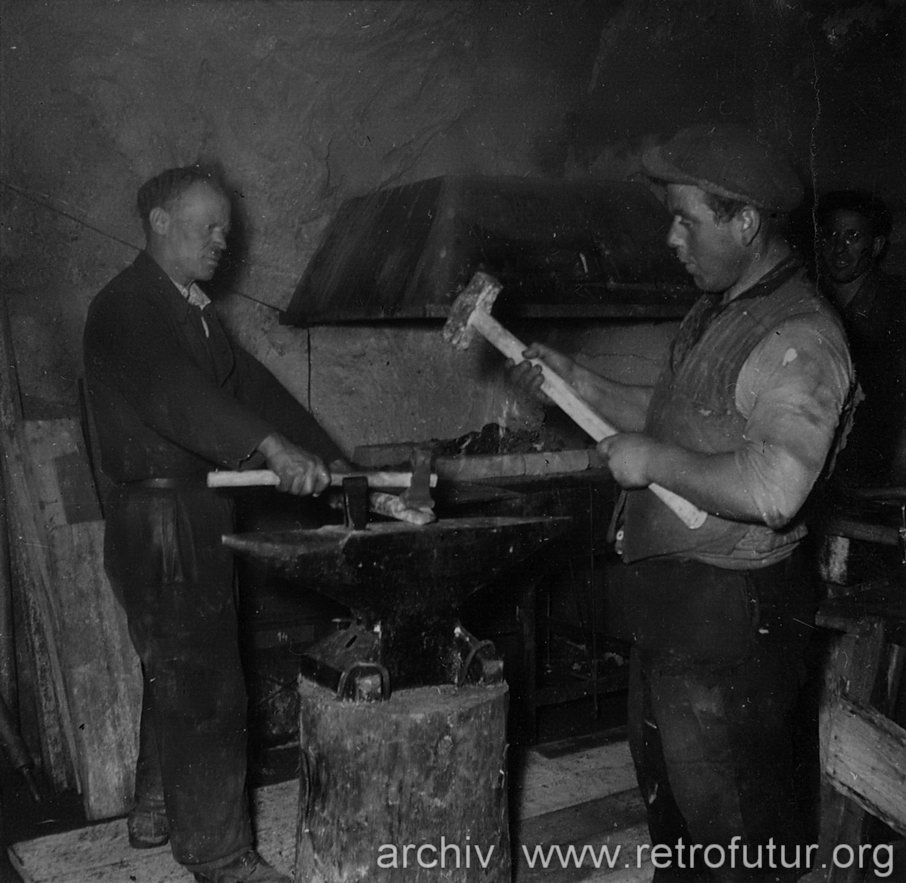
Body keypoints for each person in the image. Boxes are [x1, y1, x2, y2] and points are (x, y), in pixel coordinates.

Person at [509, 124, 855, 881]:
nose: (670, 238)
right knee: (677, 826)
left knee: (734, 839)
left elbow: (774, 486)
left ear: (745, 222)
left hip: (732, 623)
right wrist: (577, 380)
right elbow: (667, 414)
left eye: (685, 219)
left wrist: (654, 461)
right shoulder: (721, 311)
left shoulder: (801, 335)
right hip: (675, 611)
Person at [83, 165, 347, 883]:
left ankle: (155, 812)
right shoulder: (128, 305)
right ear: (159, 222)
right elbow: (179, 395)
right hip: (163, 515)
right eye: (208, 224)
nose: (222, 240)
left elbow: (252, 390)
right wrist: (267, 446)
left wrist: (332, 462)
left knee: (177, 664)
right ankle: (221, 857)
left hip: (190, 510)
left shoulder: (191, 312)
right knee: (203, 677)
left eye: (226, 227)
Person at [815, 189, 906, 488]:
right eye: (831, 236)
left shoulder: (897, 305)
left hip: (877, 475)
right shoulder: (808, 302)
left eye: (852, 237)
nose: (839, 248)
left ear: (877, 245)